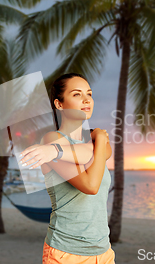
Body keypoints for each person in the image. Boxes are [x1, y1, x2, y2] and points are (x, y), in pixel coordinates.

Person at [18, 73, 115, 263]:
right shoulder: (51, 139)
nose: (86, 99)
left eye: (89, 93)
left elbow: (106, 152)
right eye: (77, 94)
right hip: (66, 253)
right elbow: (90, 186)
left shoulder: (95, 141)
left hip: (103, 251)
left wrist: (57, 152)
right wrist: (100, 139)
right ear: (59, 104)